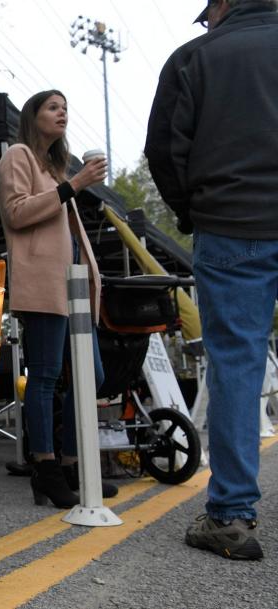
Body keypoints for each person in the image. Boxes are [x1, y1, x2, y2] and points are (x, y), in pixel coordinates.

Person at [145, 0, 278, 560]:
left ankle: (230, 515)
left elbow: (162, 151)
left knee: (238, 366)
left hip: (231, 222)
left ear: (222, 4)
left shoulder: (192, 59)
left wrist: (194, 212)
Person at [0, 90, 113, 508]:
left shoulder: (54, 166)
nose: (62, 112)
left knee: (91, 376)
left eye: (65, 107)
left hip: (74, 288)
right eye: (53, 107)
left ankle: (70, 463)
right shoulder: (18, 156)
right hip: (44, 284)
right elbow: (16, 212)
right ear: (34, 115)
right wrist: (74, 186)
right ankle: (45, 466)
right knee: (44, 376)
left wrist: (70, 184)